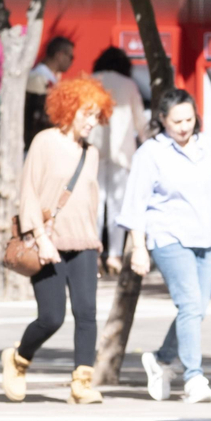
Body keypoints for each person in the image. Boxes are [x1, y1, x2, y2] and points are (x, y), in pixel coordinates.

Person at [119, 88, 211, 404]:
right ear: (162, 120)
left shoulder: (208, 147)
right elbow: (135, 204)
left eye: (189, 119)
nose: (185, 126)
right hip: (168, 236)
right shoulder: (151, 153)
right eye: (177, 121)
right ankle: (194, 377)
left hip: (207, 236)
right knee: (189, 305)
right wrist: (139, 248)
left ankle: (161, 358)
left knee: (196, 310)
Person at [2, 77, 115, 405]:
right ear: (69, 108)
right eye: (87, 113)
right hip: (47, 242)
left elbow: (90, 202)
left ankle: (82, 382)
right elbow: (29, 194)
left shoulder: (91, 153)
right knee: (52, 316)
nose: (93, 122)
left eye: (98, 116)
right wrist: (40, 236)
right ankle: (18, 359)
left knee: (87, 312)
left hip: (83, 243)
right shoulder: (44, 142)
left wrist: (96, 245)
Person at [89, 47, 151, 273]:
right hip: (121, 153)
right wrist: (148, 143)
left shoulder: (91, 81)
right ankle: (114, 255)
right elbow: (140, 121)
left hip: (93, 151)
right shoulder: (129, 84)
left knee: (95, 204)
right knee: (117, 205)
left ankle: (94, 252)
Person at [24, 35, 74, 150]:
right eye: (71, 57)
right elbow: (36, 116)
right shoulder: (37, 77)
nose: (71, 62)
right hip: (34, 145)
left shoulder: (48, 77)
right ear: (60, 55)